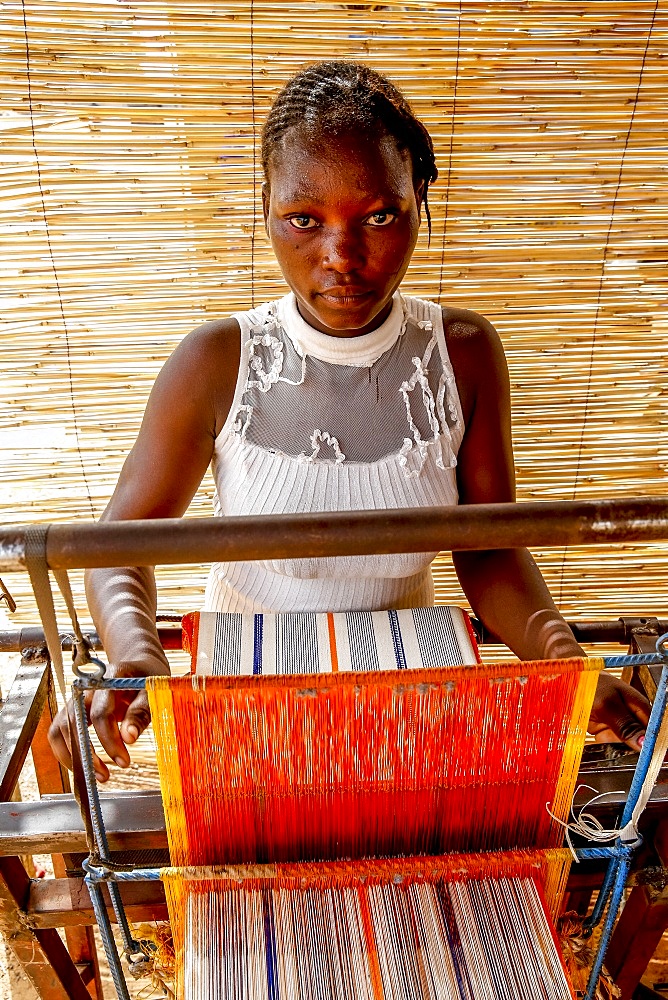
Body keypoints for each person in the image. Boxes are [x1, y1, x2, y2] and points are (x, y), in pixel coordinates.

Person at [49, 60, 649, 781]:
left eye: (378, 217)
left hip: (405, 693)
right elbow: (119, 543)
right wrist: (136, 655)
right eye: (305, 220)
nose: (343, 258)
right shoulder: (216, 362)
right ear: (265, 205)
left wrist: (565, 659)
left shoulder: (461, 356)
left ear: (418, 199)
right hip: (248, 699)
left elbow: (489, 547)